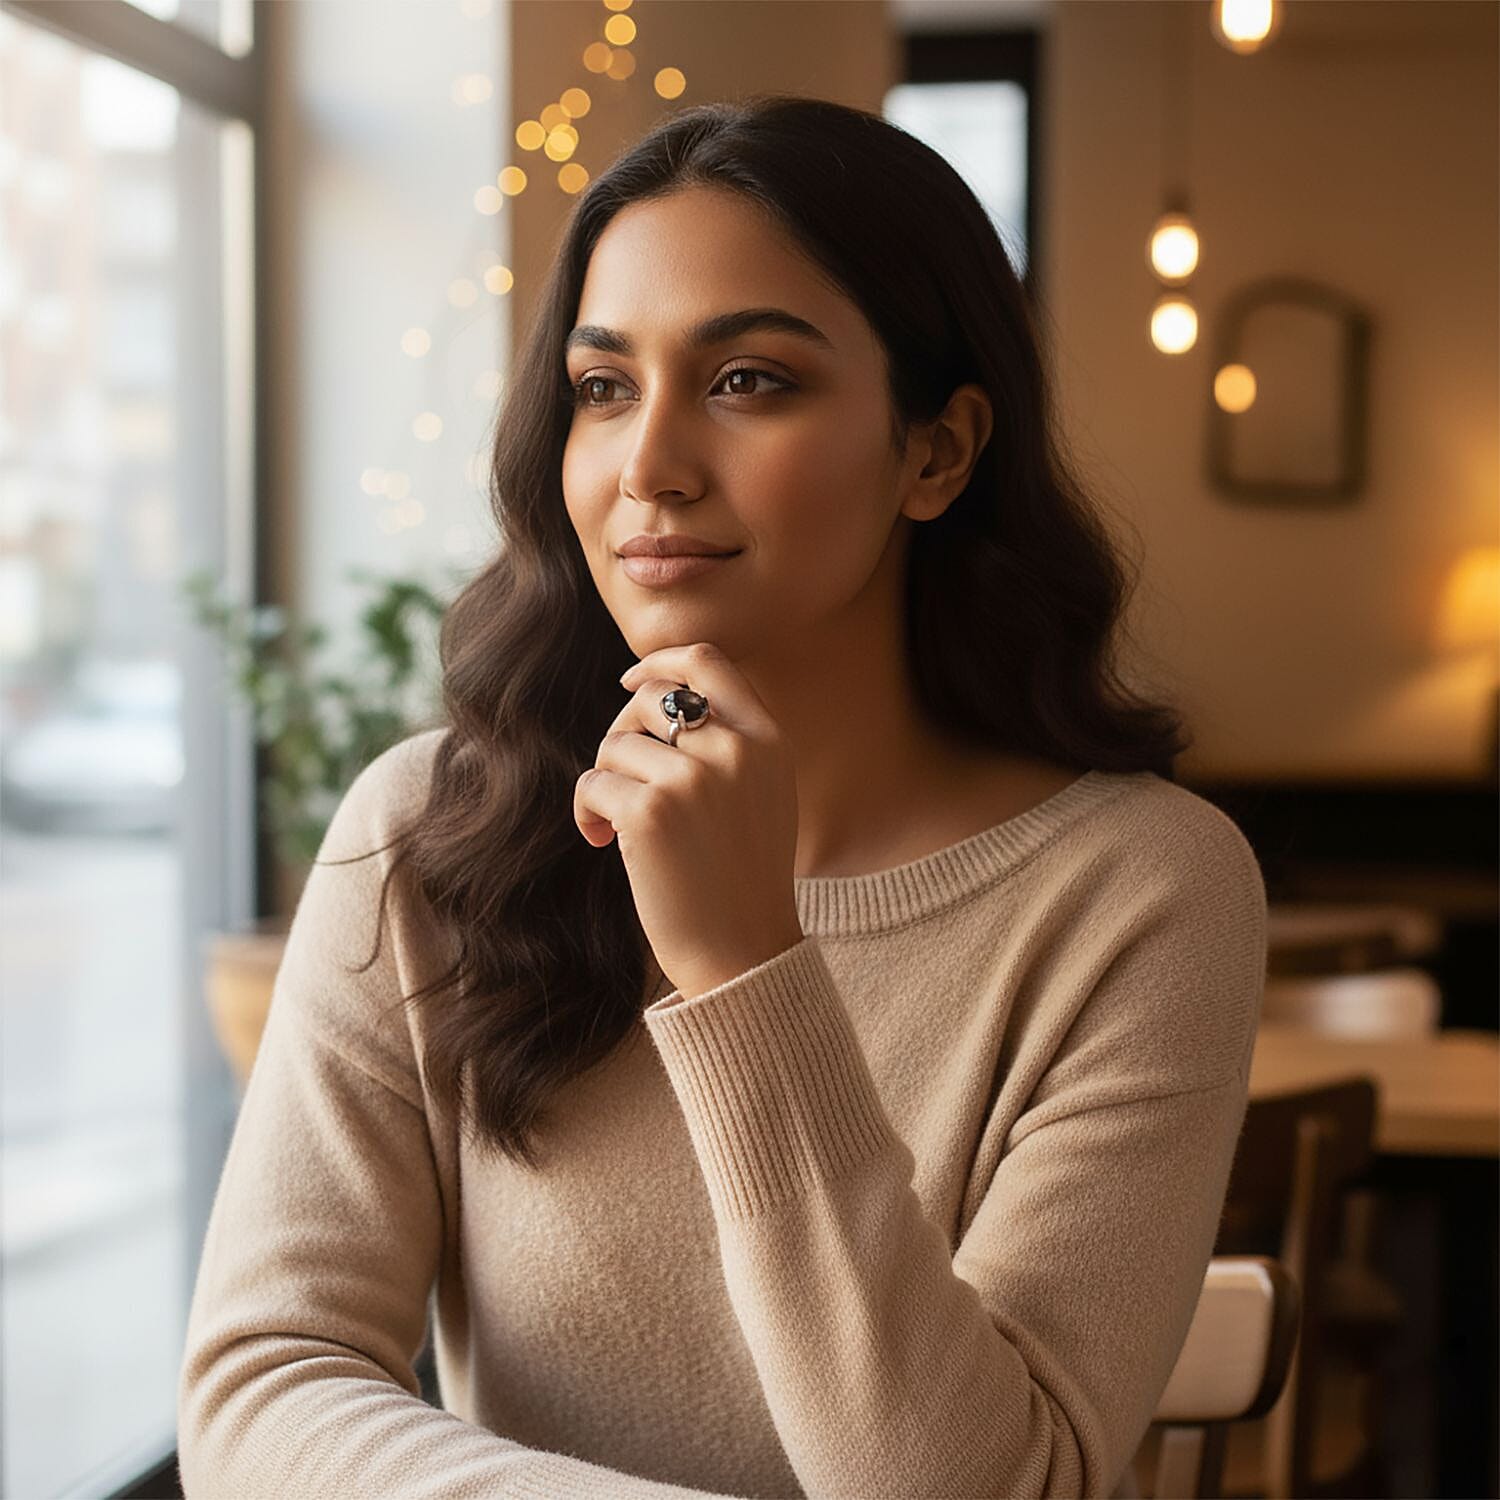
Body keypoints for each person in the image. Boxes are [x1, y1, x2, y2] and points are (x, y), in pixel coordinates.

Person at [177, 95, 1266, 1499]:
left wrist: (747, 971)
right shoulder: (424, 834)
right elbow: (262, 1389)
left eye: (748, 380)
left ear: (935, 452)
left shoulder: (1146, 891)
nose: (650, 467)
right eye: (602, 387)